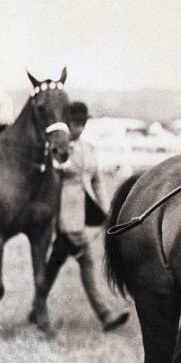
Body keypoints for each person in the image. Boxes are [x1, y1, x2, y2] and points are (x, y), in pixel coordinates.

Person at [41, 101, 129, 331]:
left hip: (85, 213)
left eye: (83, 123)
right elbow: (50, 184)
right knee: (87, 261)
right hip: (64, 217)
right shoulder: (58, 150)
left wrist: (108, 210)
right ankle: (106, 314)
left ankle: (36, 306)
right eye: (74, 123)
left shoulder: (89, 148)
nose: (79, 128)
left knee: (53, 265)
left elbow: (97, 180)